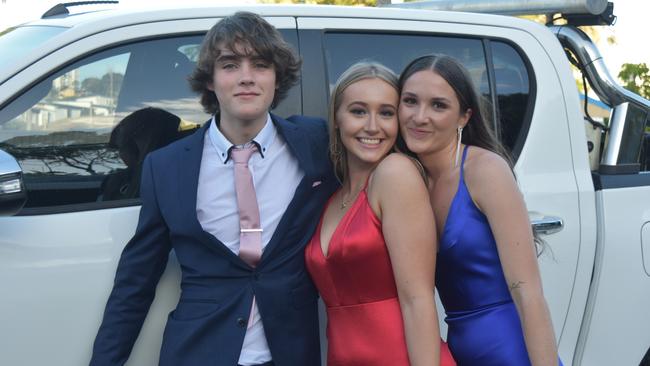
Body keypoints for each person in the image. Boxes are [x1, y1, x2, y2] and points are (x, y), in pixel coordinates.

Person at [90, 12, 337, 366]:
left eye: (261, 64)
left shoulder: (315, 143)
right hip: (197, 352)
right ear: (210, 79)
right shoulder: (168, 167)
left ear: (277, 76)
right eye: (230, 65)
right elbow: (136, 281)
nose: (247, 78)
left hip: (291, 353)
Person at [397, 54, 562, 365]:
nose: (420, 116)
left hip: (509, 348)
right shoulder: (411, 182)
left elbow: (528, 294)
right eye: (410, 101)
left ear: (464, 117)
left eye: (438, 105)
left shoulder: (485, 171)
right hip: (457, 349)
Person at [304, 62, 456, 366]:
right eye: (358, 111)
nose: (373, 126)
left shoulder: (395, 174)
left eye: (386, 113)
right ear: (336, 118)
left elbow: (418, 301)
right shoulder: (333, 197)